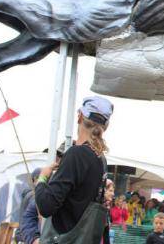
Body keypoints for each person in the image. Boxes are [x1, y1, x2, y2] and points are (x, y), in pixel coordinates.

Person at [35, 96, 113, 241]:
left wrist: (42, 178)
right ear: (105, 126)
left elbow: (46, 206)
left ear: (80, 116)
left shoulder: (77, 154)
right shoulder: (100, 159)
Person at [15, 167, 41, 243]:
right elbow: (30, 218)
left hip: (22, 234)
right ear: (35, 180)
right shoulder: (33, 196)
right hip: (27, 236)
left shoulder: (29, 194)